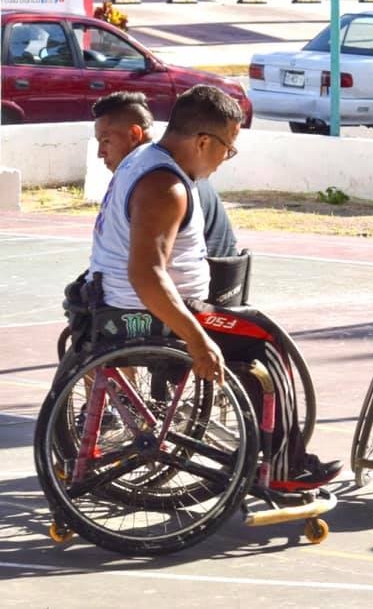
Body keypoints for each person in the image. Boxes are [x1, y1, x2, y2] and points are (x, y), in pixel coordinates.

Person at [87, 84, 341, 488]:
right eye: (228, 147)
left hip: (121, 307)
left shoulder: (141, 161)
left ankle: (277, 456)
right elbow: (147, 275)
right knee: (266, 342)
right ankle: (284, 468)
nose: (226, 159)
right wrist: (197, 339)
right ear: (203, 141)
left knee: (253, 327)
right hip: (142, 316)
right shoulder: (165, 187)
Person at [92, 90, 238, 258]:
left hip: (212, 277)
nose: (100, 153)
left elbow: (149, 272)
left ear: (134, 135)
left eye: (106, 141)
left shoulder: (162, 183)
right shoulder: (144, 171)